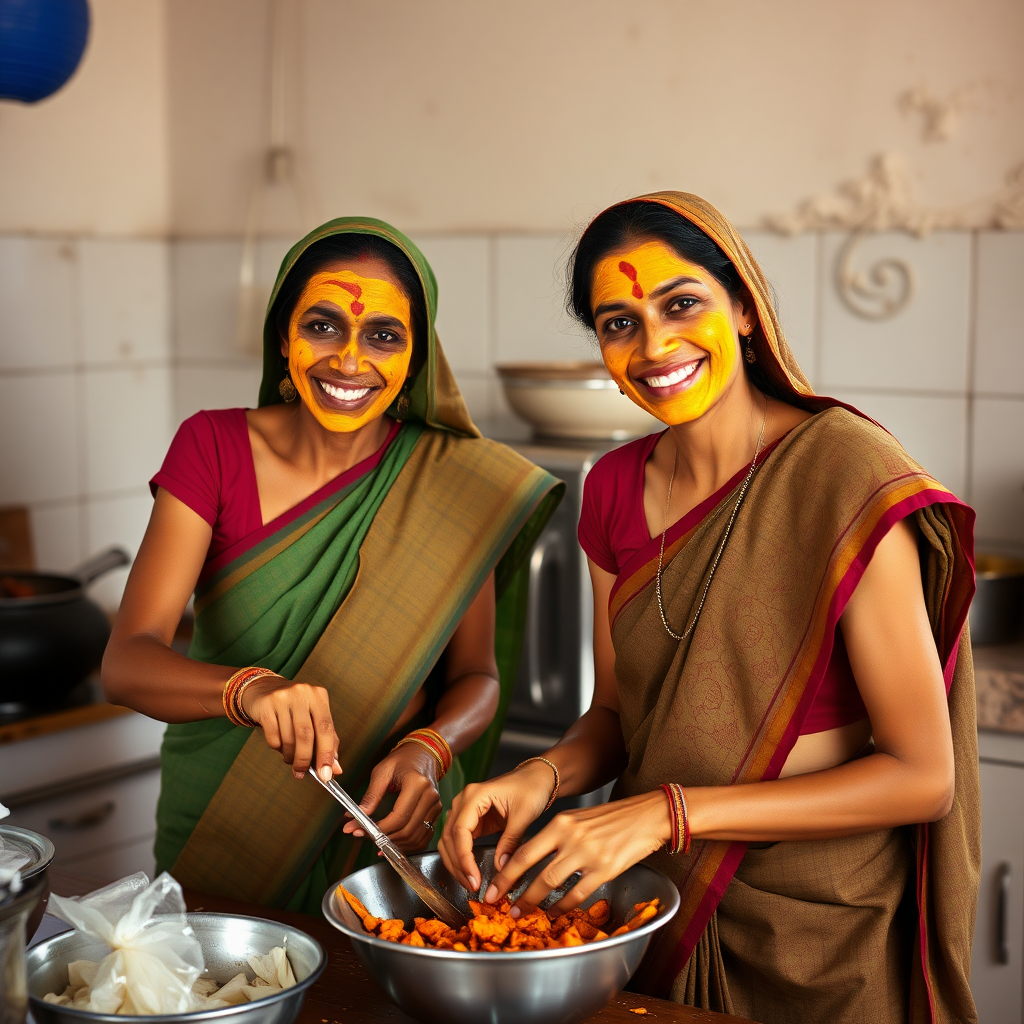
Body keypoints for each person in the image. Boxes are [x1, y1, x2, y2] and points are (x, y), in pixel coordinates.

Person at [440, 193, 978, 1024]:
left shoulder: (845, 475)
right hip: (666, 913)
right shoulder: (614, 489)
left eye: (681, 304)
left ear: (745, 310)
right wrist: (535, 778)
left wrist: (667, 813)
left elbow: (921, 777)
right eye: (618, 323)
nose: (654, 347)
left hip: (824, 940)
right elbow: (618, 716)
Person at [102, 217, 562, 914]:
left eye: (383, 335)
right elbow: (128, 662)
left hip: (386, 832)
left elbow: (477, 677)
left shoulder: (448, 481)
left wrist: (430, 749)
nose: (349, 361)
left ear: (415, 357)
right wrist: (251, 689)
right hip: (226, 831)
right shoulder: (212, 447)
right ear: (282, 338)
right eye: (322, 325)